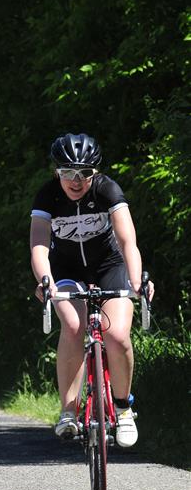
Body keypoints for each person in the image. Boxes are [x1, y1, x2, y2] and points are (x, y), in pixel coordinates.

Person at [30, 132, 153, 447]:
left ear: (95, 172)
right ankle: (68, 411)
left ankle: (123, 409)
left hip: (110, 266)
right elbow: (39, 245)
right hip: (65, 270)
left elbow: (127, 241)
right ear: (56, 172)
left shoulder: (107, 189)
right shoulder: (47, 196)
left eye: (84, 173)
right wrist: (45, 281)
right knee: (73, 326)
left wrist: (137, 281)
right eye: (67, 173)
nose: (76, 181)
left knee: (117, 335)